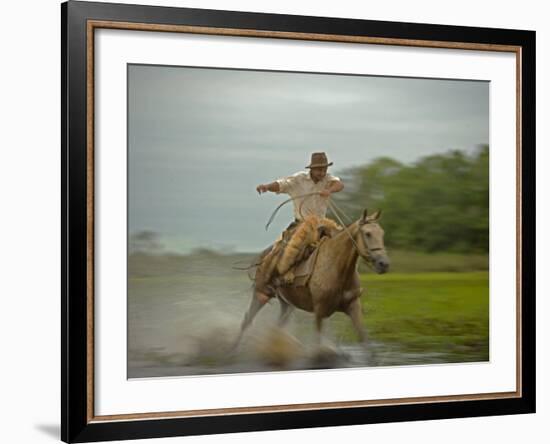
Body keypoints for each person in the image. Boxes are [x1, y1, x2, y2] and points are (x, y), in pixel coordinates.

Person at [254, 152, 344, 291]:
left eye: (324, 169)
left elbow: (339, 184)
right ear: (312, 169)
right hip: (301, 224)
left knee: (342, 245)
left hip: (322, 225)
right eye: (319, 169)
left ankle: (343, 282)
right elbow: (280, 184)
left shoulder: (328, 179)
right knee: (285, 250)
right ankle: (275, 280)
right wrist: (266, 187)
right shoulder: (298, 179)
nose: (322, 172)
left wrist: (329, 190)